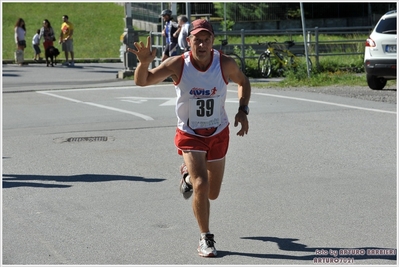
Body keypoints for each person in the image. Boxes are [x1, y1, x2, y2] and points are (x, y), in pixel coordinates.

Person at [127, 19, 251, 257]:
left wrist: (243, 110)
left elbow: (243, 82)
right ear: (188, 41)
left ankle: (187, 174)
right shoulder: (177, 64)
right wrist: (143, 64)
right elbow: (142, 80)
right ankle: (206, 238)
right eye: (197, 40)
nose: (202, 44)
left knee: (212, 193)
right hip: (190, 133)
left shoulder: (224, 63)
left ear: (212, 41)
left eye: (206, 40)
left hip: (218, 132)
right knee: (201, 186)